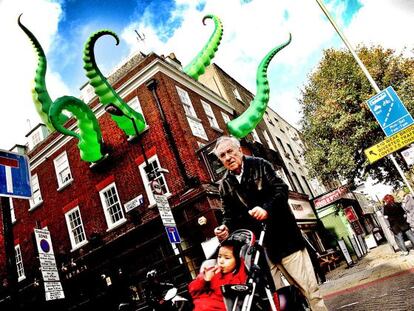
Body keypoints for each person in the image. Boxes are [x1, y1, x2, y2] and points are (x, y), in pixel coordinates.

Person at [213, 135, 327, 311]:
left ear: (239, 150)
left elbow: (280, 189)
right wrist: (225, 228)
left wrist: (266, 209)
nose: (228, 157)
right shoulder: (224, 185)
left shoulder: (260, 164)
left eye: (230, 151)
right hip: (260, 251)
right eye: (222, 155)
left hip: (285, 240)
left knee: (309, 290)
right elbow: (228, 215)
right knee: (277, 300)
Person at [188, 239, 247, 311]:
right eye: (219, 256)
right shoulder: (211, 271)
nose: (221, 261)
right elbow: (193, 292)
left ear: (237, 260)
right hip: (200, 306)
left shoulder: (239, 275)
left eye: (227, 258)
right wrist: (204, 280)